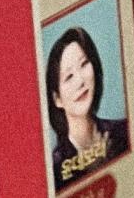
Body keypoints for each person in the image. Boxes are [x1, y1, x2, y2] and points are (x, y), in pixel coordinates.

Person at [43, 26, 129, 185]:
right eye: (69, 76)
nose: (80, 81)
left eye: (84, 64)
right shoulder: (54, 170)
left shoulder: (125, 131)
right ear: (57, 99)